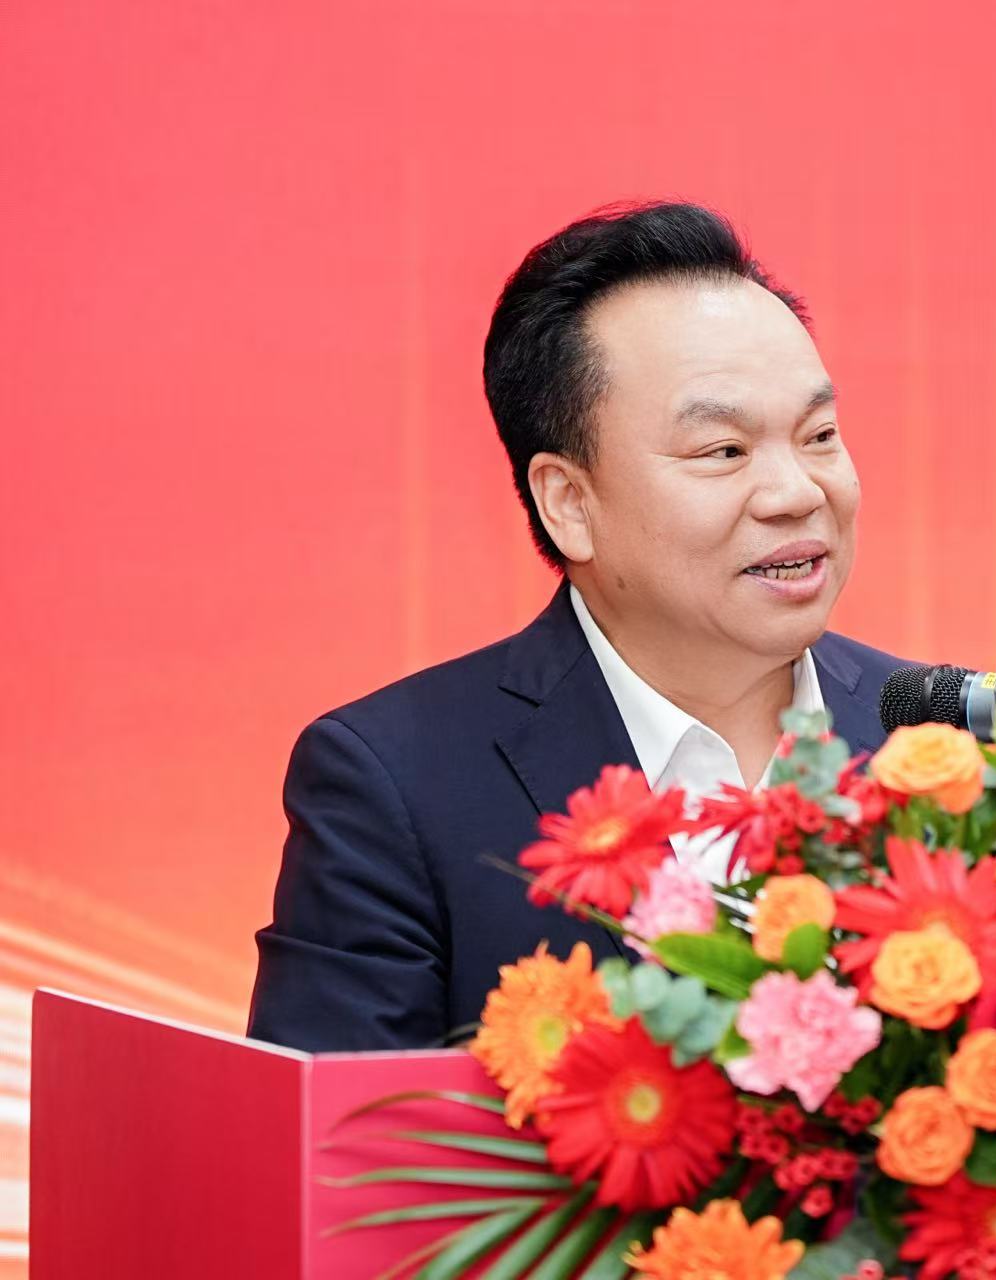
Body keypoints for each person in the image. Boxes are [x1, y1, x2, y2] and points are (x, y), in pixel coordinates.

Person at [247, 202, 910, 1051]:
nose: (797, 492)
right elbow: (338, 1128)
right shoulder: (394, 787)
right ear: (568, 503)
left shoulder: (950, 746)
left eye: (818, 435)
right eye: (724, 451)